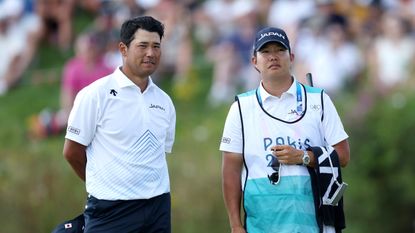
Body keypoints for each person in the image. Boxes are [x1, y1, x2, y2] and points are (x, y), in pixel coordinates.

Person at [220, 27, 350, 233]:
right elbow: (231, 169)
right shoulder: (241, 107)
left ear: (291, 57)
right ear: (254, 61)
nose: (273, 57)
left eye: (280, 50)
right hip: (261, 224)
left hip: (315, 223)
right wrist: (235, 225)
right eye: (265, 51)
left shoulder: (320, 99)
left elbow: (342, 156)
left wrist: (304, 157)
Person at [63, 16, 176, 233]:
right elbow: (72, 151)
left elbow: (158, 155)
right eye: (142, 46)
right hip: (111, 210)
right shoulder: (96, 94)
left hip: (158, 207)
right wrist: (102, 183)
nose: (150, 53)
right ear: (123, 49)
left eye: (156, 46)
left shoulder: (164, 101)